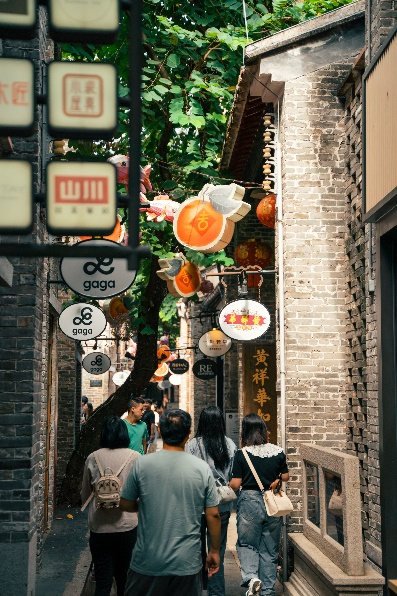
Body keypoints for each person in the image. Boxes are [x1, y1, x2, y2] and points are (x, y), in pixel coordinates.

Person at [120, 409, 221, 596]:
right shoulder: (201, 468)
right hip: (186, 562)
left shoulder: (142, 464)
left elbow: (125, 504)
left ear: (159, 429)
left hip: (147, 561)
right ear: (188, 433)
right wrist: (214, 551)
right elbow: (213, 514)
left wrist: (146, 506)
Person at [229, 414, 289, 596]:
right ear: (263, 429)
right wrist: (277, 478)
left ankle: (252, 578)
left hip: (249, 501)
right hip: (272, 503)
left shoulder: (242, 454)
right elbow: (286, 476)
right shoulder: (277, 451)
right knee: (270, 549)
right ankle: (268, 590)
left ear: (245, 432)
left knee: (248, 544)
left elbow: (235, 484)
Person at [81, 416, 140, 595]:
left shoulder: (93, 457)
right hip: (127, 526)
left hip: (99, 527)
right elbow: (141, 492)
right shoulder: (135, 457)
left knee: (103, 580)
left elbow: (85, 493)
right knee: (125, 579)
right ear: (124, 434)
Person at [186, 406, 237, 596]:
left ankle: (197, 591)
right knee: (217, 554)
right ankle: (216, 593)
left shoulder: (193, 445)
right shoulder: (230, 444)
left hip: (196, 507)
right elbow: (233, 476)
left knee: (194, 553)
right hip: (221, 506)